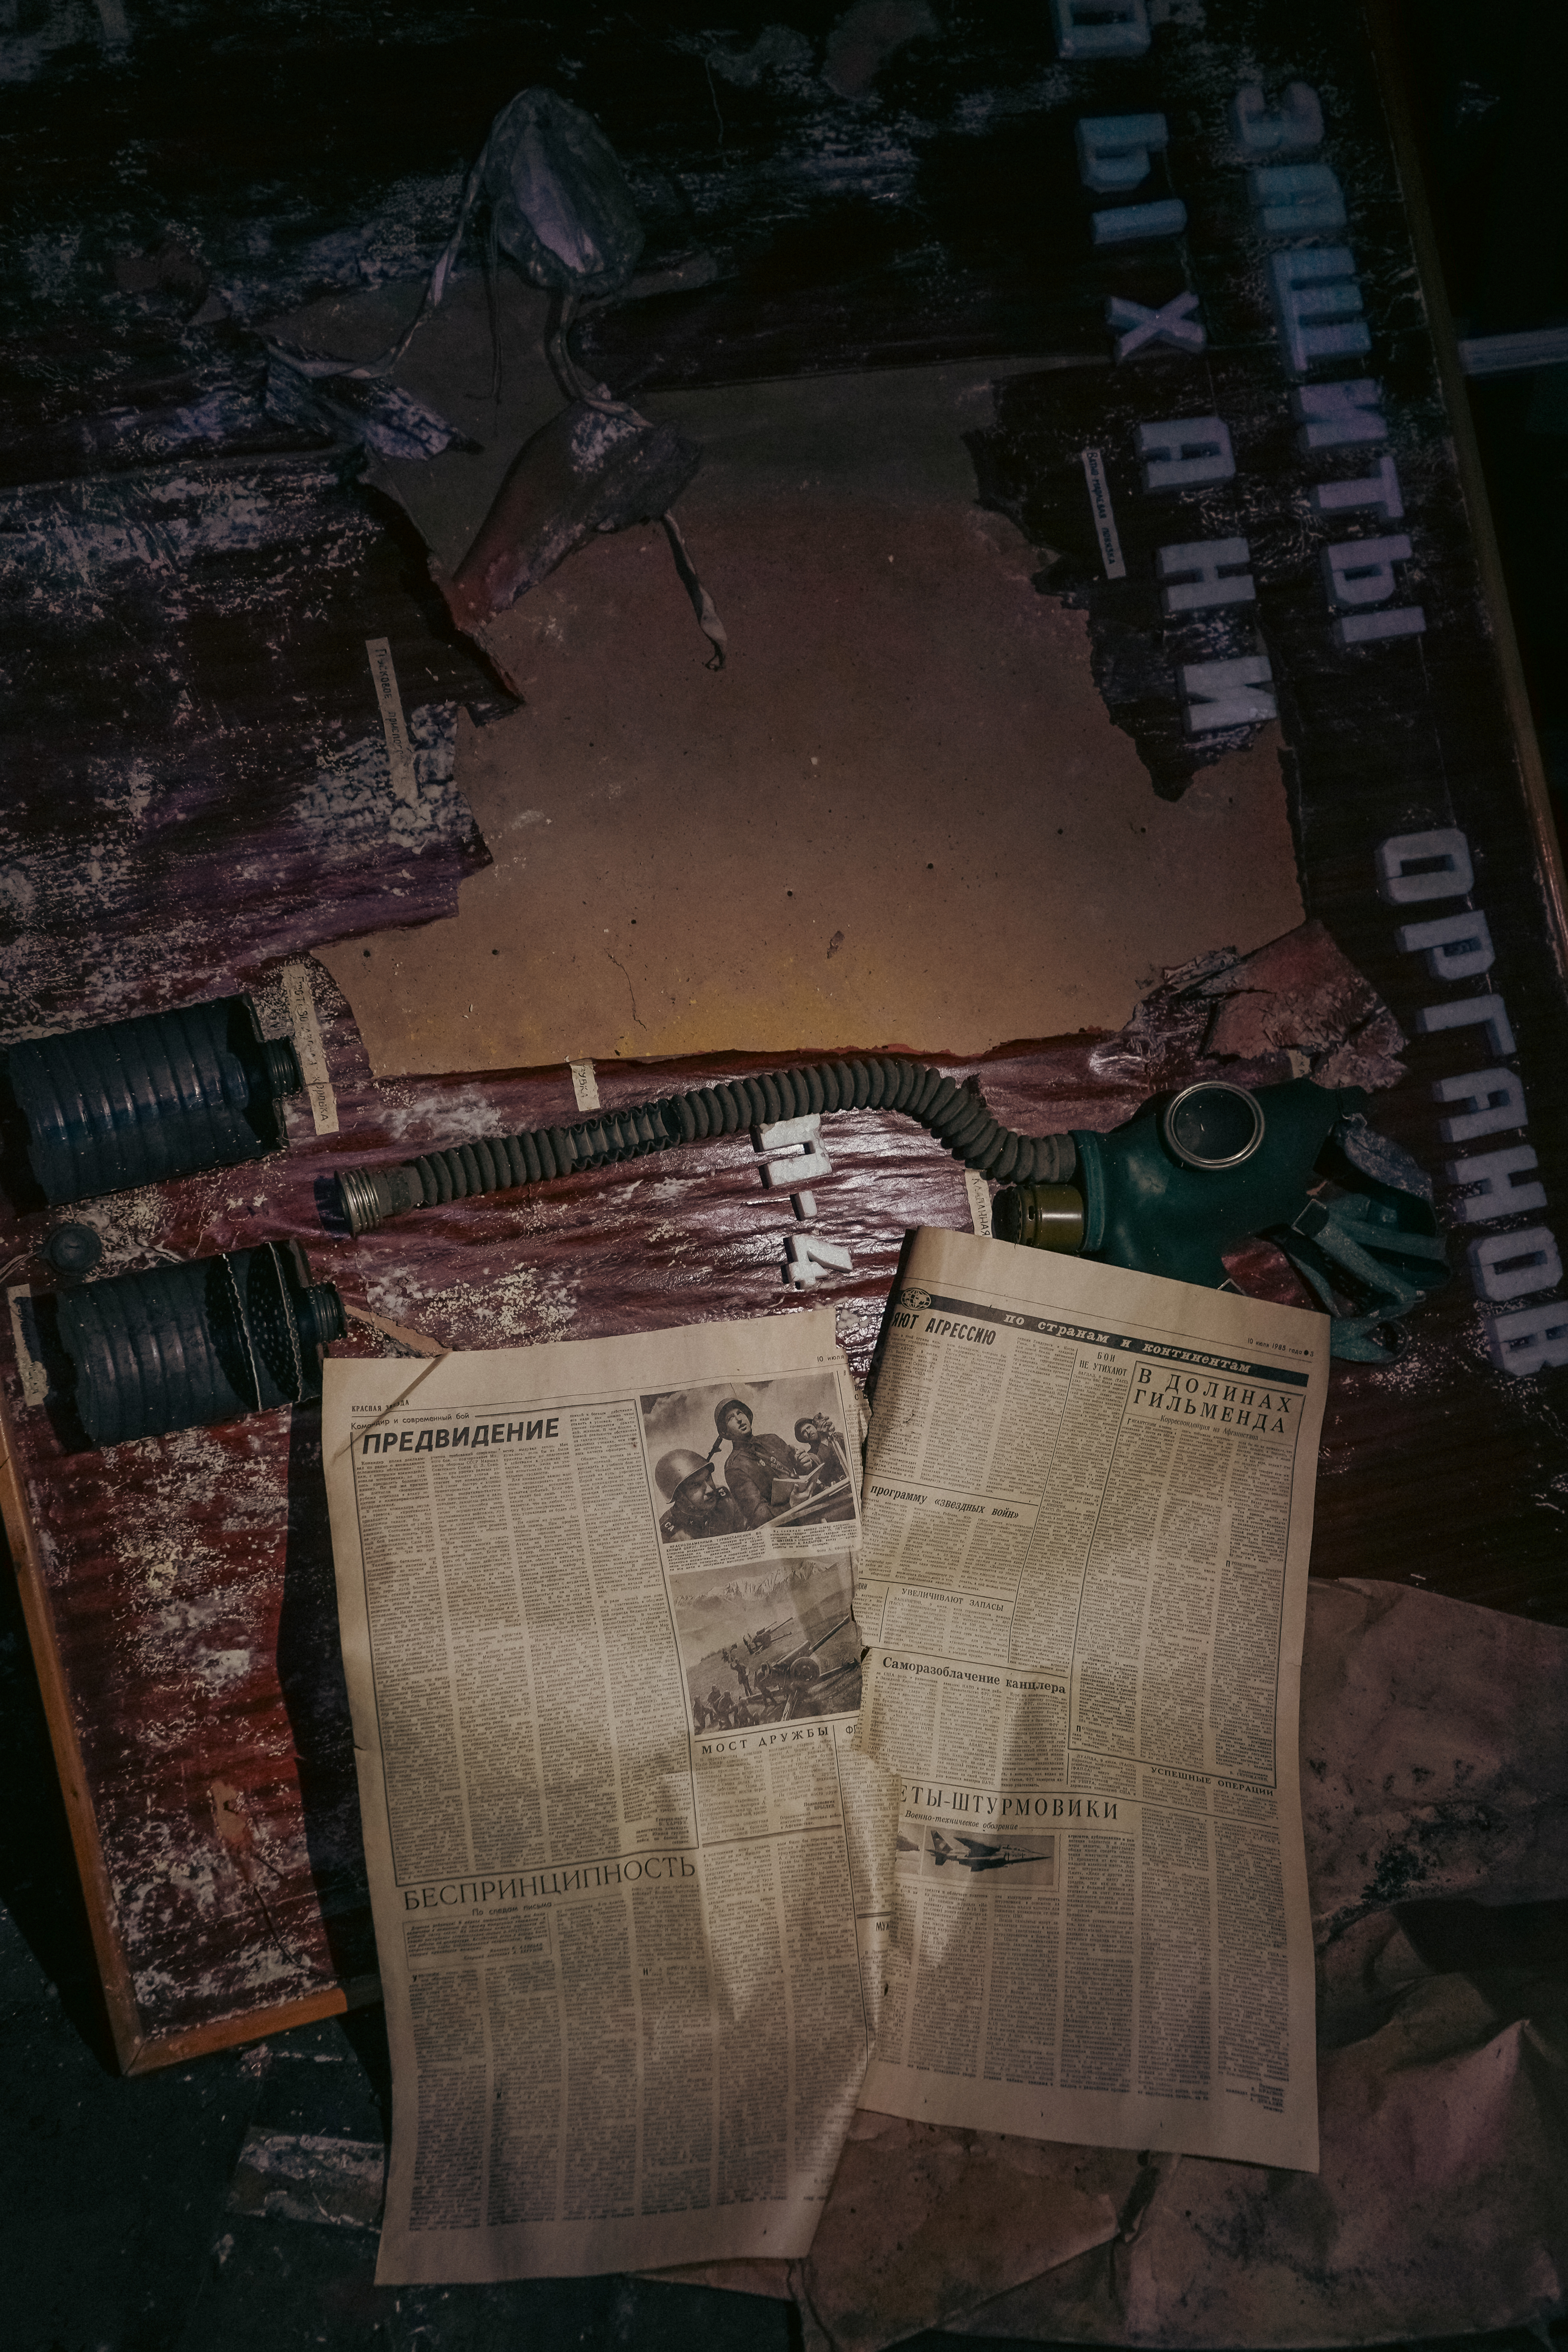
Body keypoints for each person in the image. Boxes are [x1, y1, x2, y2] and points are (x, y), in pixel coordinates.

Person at [709, 1397, 804, 1528]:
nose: (739, 1419)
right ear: (725, 1432)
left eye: (740, 1413)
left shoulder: (772, 1439)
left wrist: (806, 1463)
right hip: (788, 1526)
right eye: (731, 1419)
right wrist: (792, 1506)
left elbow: (800, 1469)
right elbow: (758, 1515)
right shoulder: (734, 1467)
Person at [653, 1448, 747, 1541]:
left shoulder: (725, 1500)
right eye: (696, 1485)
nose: (710, 1490)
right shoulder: (667, 1535)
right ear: (679, 1496)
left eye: (708, 1478)